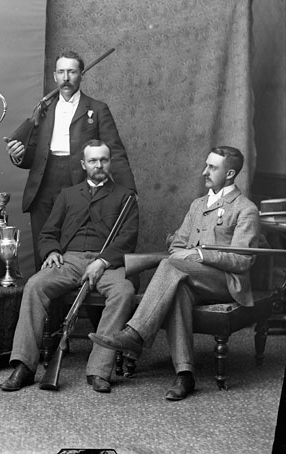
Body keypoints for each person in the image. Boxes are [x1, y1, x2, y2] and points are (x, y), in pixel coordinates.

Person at [90, 146, 260, 401]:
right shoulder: (198, 205)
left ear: (230, 173)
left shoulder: (245, 209)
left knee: (170, 266)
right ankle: (185, 375)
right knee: (179, 287)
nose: (204, 171)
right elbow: (177, 243)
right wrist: (183, 253)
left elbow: (242, 260)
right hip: (190, 277)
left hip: (225, 281)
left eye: (212, 167)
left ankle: (134, 334)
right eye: (206, 165)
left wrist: (199, 255)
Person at [0, 140, 139, 393]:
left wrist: (102, 261)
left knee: (124, 292)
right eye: (93, 161)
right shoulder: (68, 195)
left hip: (108, 263)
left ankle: (99, 370)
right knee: (34, 285)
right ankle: (24, 366)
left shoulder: (125, 197)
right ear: (83, 164)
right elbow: (48, 232)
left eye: (104, 160)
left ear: (111, 162)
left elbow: (127, 238)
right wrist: (52, 251)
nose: (99, 165)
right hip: (69, 261)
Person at [5, 50, 136, 268]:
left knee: (73, 245)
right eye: (61, 72)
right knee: (45, 250)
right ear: (55, 76)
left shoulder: (97, 109)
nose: (66, 78)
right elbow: (31, 158)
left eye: (72, 72)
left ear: (81, 74)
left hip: (78, 182)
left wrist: (129, 191)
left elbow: (115, 151)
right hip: (43, 185)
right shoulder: (44, 110)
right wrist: (18, 156)